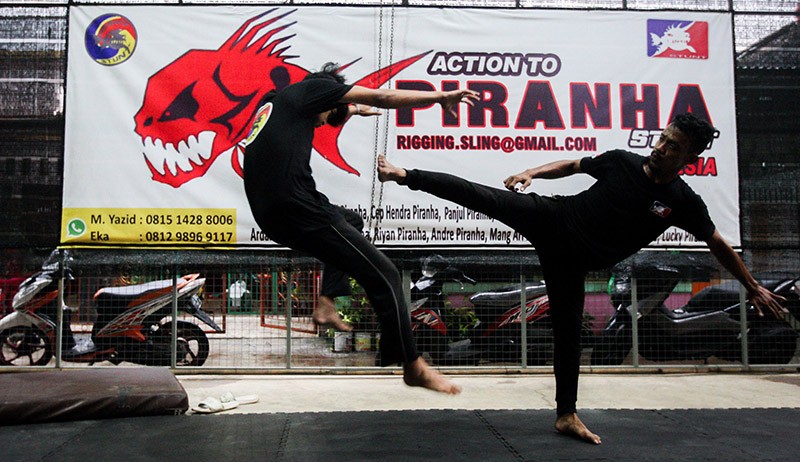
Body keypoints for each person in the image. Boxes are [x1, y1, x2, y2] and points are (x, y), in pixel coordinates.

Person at [377, 113, 787, 443]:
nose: (660, 148)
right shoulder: (623, 162)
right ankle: (404, 174)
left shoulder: (682, 202)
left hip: (572, 263)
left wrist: (752, 286)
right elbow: (573, 165)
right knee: (481, 195)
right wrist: (532, 172)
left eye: (672, 146)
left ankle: (565, 415)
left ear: (689, 157)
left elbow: (717, 243)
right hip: (553, 219)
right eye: (662, 139)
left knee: (569, 336)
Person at [242, 62, 479, 395]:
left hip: (271, 213)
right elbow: (382, 95)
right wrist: (440, 97)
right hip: (296, 206)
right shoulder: (311, 92)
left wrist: (352, 110)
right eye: (329, 114)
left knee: (351, 221)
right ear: (326, 96)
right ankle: (413, 365)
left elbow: (331, 111)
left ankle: (326, 303)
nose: (322, 123)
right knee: (385, 275)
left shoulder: (278, 102)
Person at [314, 206, 364, 332]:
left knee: (348, 224)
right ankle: (326, 302)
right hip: (294, 201)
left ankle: (327, 302)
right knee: (351, 221)